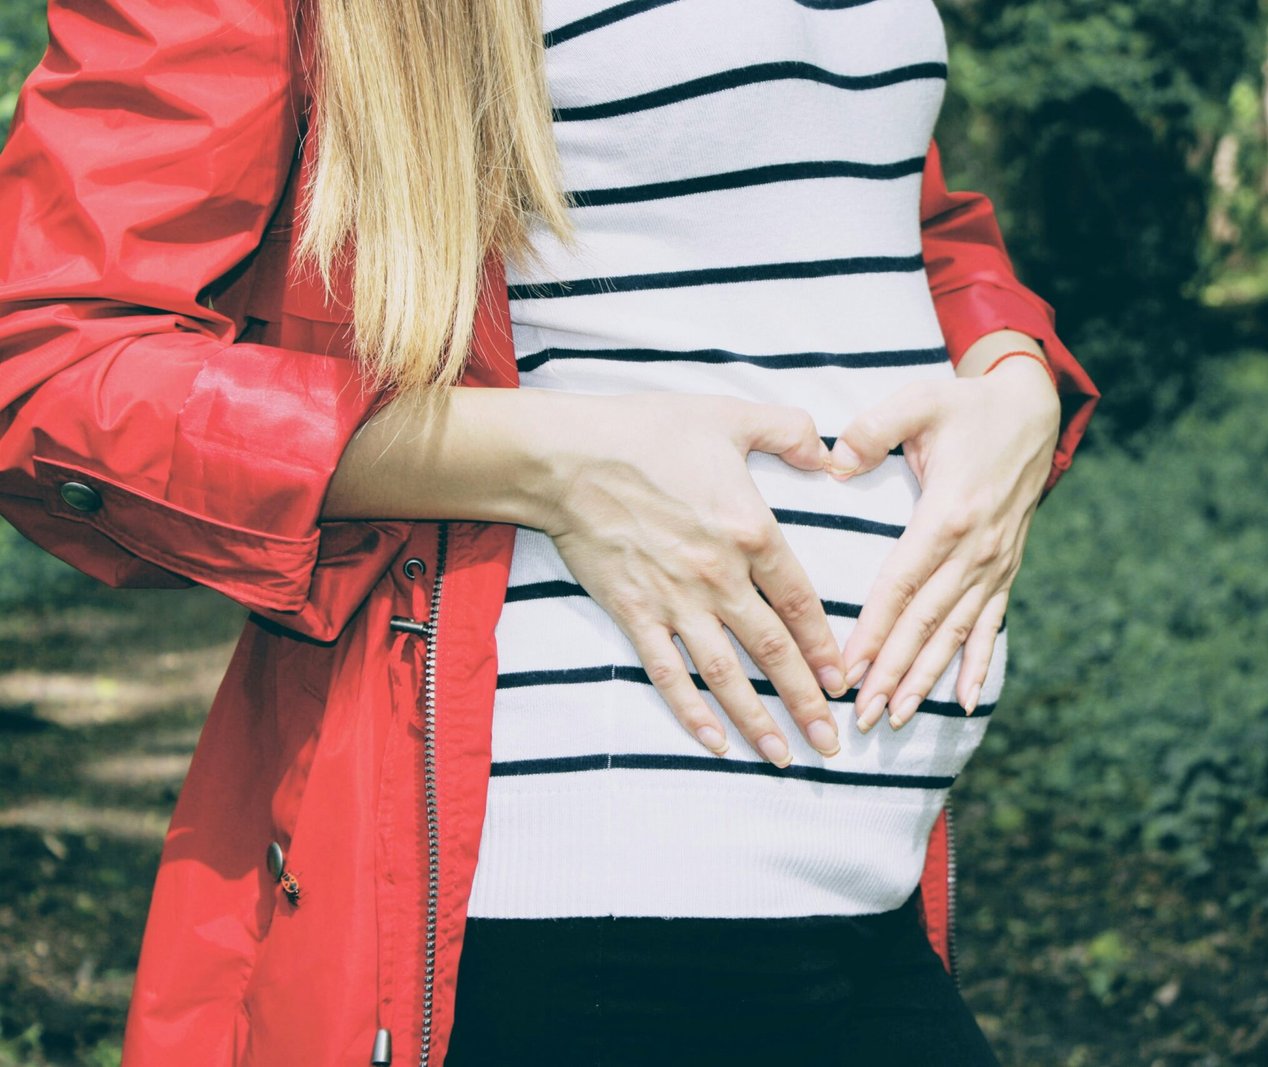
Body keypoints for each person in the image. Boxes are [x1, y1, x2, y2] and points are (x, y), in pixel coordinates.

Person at [0, 0, 1099, 1063]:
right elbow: (59, 367)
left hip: (864, 888)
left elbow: (860, 187)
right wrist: (562, 460)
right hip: (561, 884)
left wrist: (1010, 375)